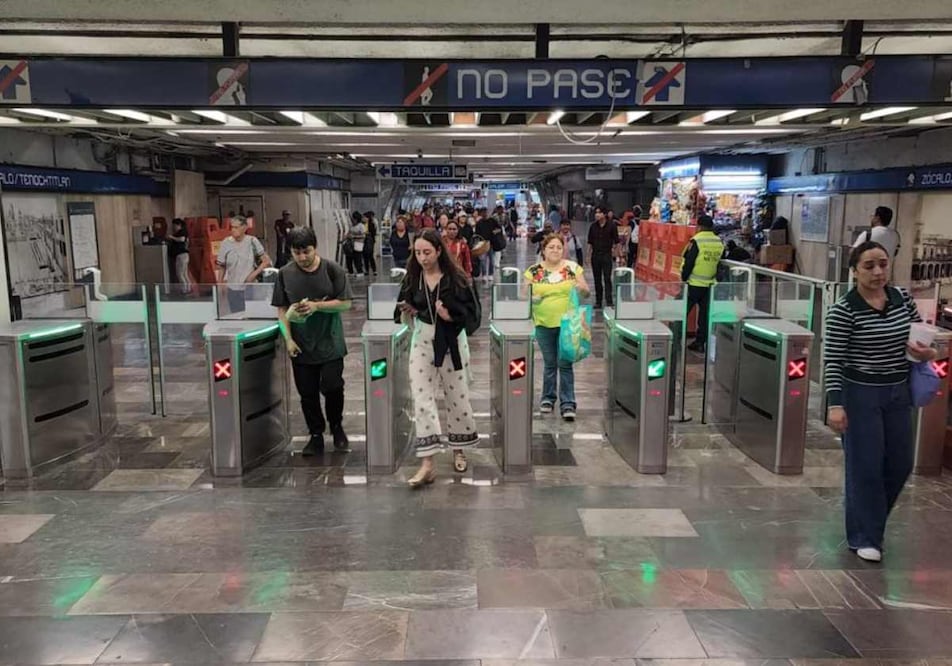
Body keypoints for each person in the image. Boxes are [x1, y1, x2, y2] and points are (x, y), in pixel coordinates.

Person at [824, 240, 936, 563]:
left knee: (900, 463)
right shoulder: (844, 310)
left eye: (883, 264)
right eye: (869, 266)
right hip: (860, 395)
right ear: (854, 270)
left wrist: (926, 352)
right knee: (866, 466)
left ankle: (869, 519)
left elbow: (919, 338)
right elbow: (833, 360)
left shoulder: (902, 299)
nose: (877, 272)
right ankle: (865, 536)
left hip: (898, 392)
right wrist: (835, 404)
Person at [395, 229, 480, 487]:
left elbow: (474, 317)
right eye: (418, 253)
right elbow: (402, 306)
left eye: (427, 252)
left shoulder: (458, 280)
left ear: (439, 251)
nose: (422, 258)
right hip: (423, 340)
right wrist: (408, 310)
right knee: (422, 398)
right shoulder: (412, 278)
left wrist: (450, 317)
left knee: (457, 396)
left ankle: (459, 449)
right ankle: (428, 463)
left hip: (452, 341)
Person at [272, 227, 353, 455]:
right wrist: (288, 339)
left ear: (314, 247)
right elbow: (282, 310)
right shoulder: (285, 274)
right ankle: (315, 433)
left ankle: (336, 426)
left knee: (332, 386)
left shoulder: (332, 270)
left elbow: (346, 303)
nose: (302, 257)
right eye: (296, 253)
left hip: (330, 342)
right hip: (301, 343)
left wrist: (317, 306)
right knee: (307, 393)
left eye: (306, 251)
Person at [524, 234, 590, 421]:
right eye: (551, 247)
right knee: (550, 362)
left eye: (558, 247)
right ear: (543, 250)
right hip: (543, 323)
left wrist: (581, 288)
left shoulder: (572, 269)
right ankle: (547, 398)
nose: (555, 250)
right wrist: (531, 297)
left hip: (568, 324)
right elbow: (522, 294)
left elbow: (586, 291)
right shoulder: (534, 271)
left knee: (565, 362)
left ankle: (568, 403)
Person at [681, 215, 724, 353]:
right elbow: (720, 263)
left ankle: (674, 340)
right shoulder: (718, 242)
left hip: (693, 284)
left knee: (680, 312)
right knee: (704, 315)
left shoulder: (697, 240)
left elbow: (689, 261)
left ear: (699, 226)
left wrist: (683, 277)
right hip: (710, 284)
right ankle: (700, 343)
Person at [216, 216, 271, 314]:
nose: (233, 230)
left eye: (236, 227)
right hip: (233, 289)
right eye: (232, 227)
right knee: (236, 315)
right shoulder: (225, 243)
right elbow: (222, 266)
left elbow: (266, 261)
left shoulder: (252, 241)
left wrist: (253, 275)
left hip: (250, 287)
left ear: (245, 227)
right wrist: (220, 285)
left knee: (252, 315)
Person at [587, 206, 618, 309]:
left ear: (604, 214)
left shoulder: (612, 226)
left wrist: (618, 255)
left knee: (607, 278)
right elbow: (590, 243)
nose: (597, 215)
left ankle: (609, 301)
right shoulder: (593, 226)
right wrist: (588, 256)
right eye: (596, 213)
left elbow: (616, 241)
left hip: (606, 255)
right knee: (597, 279)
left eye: (599, 213)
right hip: (595, 255)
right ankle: (598, 301)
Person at [475, 207, 503, 282]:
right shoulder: (479, 223)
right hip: (483, 244)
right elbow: (477, 234)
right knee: (483, 260)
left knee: (492, 260)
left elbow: (499, 229)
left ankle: (490, 274)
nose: (485, 214)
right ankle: (484, 274)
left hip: (491, 243)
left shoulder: (492, 221)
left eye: (486, 212)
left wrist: (494, 232)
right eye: (483, 212)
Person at [167, 217, 191, 294]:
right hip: (185, 255)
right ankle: (188, 288)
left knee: (180, 273)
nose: (173, 227)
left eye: (174, 225)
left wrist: (171, 237)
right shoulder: (184, 232)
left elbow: (181, 239)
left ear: (178, 225)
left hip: (181, 255)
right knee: (184, 273)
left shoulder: (182, 232)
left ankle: (184, 289)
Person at [345, 212, 366, 276]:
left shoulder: (361, 226)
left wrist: (354, 237)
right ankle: (350, 271)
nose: (353, 220)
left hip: (358, 244)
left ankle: (360, 271)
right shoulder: (352, 226)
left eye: (354, 219)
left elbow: (363, 236)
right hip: (351, 244)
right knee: (349, 258)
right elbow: (349, 233)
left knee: (357, 258)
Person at [363, 211, 378, 276]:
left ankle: (374, 270)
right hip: (364, 241)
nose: (364, 218)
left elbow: (374, 232)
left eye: (365, 217)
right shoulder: (363, 224)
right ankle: (367, 270)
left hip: (370, 241)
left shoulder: (372, 224)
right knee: (365, 256)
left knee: (370, 255)